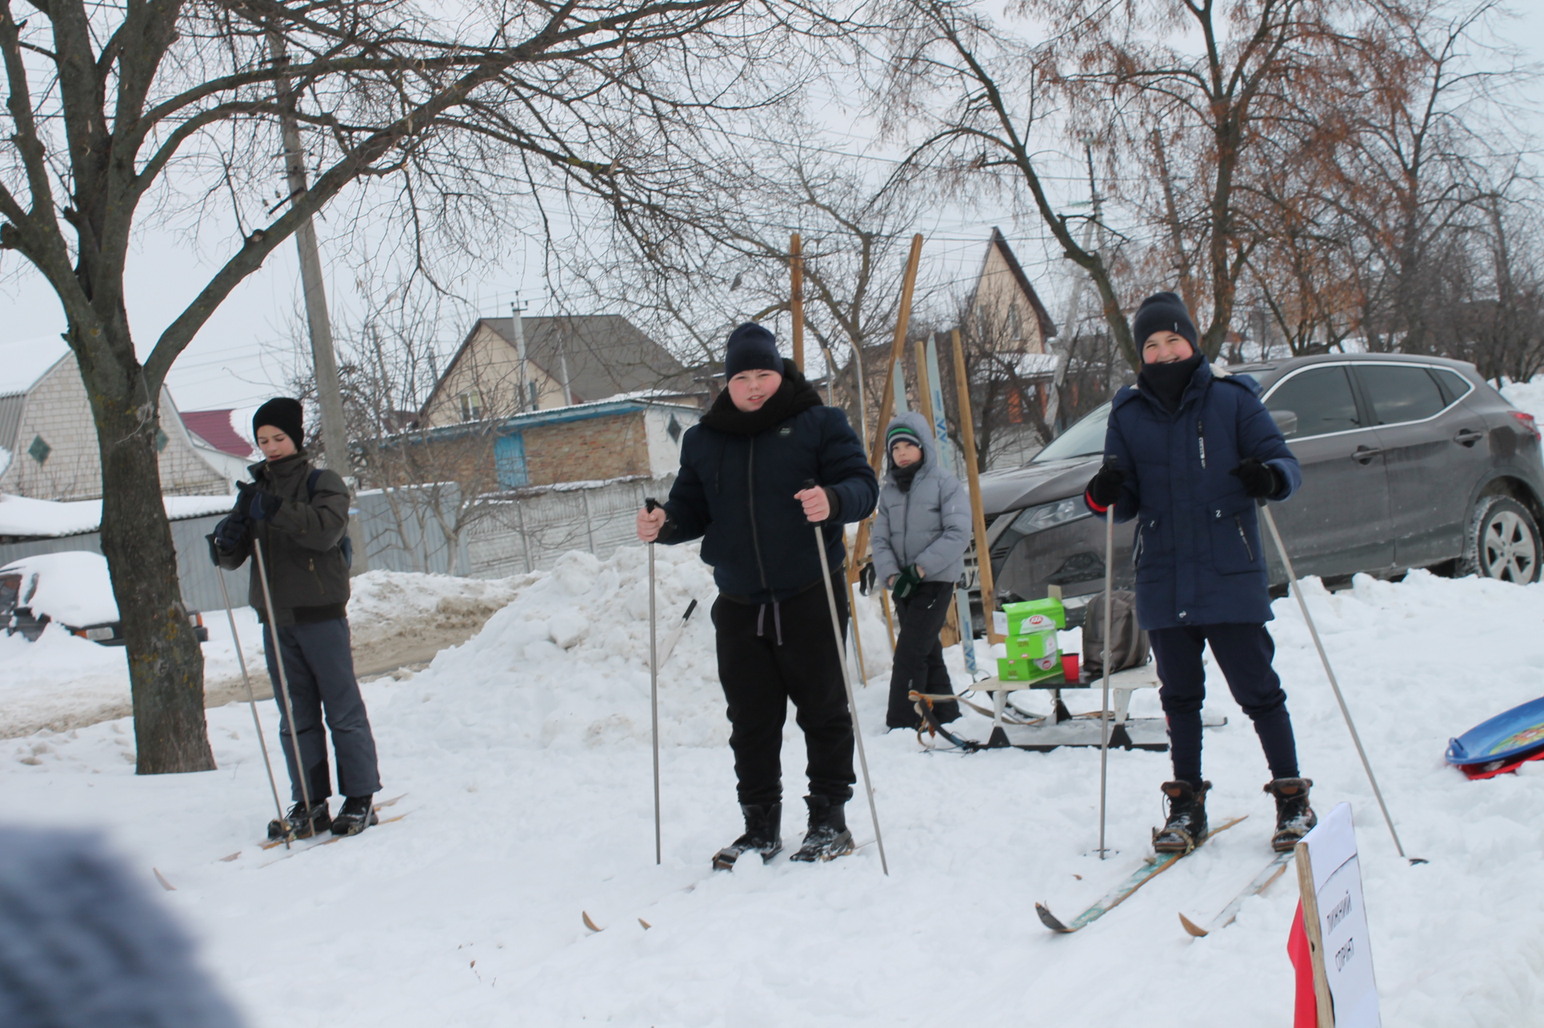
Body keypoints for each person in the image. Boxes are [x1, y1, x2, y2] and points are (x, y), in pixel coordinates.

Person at [636, 322, 878, 868]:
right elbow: (691, 511)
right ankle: (760, 825)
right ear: (728, 383)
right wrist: (663, 522)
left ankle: (828, 821)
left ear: (780, 372)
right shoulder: (704, 439)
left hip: (809, 590)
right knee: (750, 719)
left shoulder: (818, 424)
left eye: (763, 374)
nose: (753, 386)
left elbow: (863, 485)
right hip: (741, 602)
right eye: (742, 377)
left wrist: (833, 500)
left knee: (823, 710)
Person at [1084, 292, 1317, 854]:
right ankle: (1187, 805)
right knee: (1179, 697)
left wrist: (1268, 477)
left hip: (1227, 568)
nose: (1164, 352)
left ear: (1192, 341)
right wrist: (1104, 491)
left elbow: (1285, 463)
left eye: (1173, 340)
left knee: (1257, 689)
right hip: (1163, 571)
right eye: (1152, 345)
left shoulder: (1232, 401)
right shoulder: (1129, 412)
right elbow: (1121, 494)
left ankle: (1291, 798)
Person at [211, 398, 383, 840]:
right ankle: (309, 802)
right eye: (263, 440)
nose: (270, 447)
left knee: (341, 708)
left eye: (278, 438)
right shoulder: (255, 489)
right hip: (276, 616)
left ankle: (360, 797)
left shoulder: (322, 482)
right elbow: (232, 558)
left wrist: (275, 510)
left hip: (320, 613)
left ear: (296, 438)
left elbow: (326, 530)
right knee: (295, 713)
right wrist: (227, 542)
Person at [871, 411, 970, 730]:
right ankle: (946, 714)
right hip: (903, 584)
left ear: (923, 447)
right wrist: (892, 575)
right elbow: (880, 538)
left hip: (935, 580)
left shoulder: (946, 484)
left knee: (910, 652)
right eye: (894, 448)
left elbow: (957, 533)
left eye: (907, 446)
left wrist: (920, 569)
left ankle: (901, 721)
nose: (900, 453)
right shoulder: (888, 491)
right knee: (926, 650)